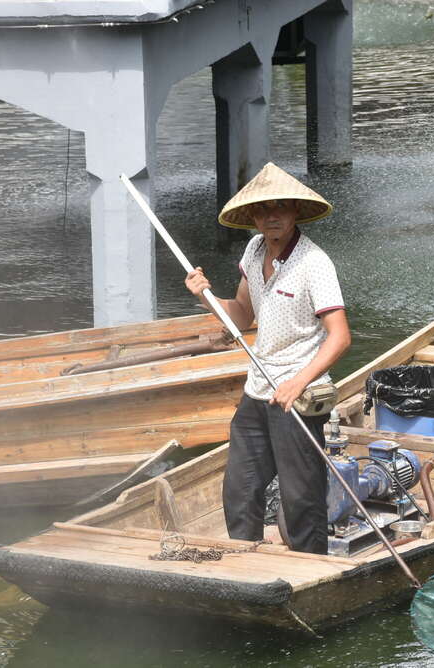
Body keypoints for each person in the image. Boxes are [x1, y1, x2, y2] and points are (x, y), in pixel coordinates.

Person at [184, 162, 350, 554]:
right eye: (262, 209)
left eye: (279, 207)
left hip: (298, 396)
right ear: (253, 217)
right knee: (240, 488)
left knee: (300, 498)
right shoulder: (254, 248)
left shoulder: (314, 264)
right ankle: (246, 563)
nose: (271, 216)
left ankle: (310, 569)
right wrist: (205, 297)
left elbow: (340, 337)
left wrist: (299, 381)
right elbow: (242, 315)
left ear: (295, 211)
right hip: (257, 389)